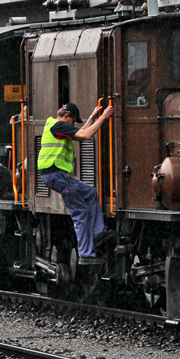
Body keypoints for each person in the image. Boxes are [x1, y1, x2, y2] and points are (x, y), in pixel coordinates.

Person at [38, 101, 114, 263]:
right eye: (73, 120)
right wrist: (104, 118)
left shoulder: (54, 124)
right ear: (67, 116)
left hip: (56, 175)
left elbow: (79, 133)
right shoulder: (59, 125)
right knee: (80, 212)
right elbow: (86, 135)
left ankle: (98, 233)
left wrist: (93, 117)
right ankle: (86, 254)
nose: (73, 123)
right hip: (57, 174)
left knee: (90, 192)